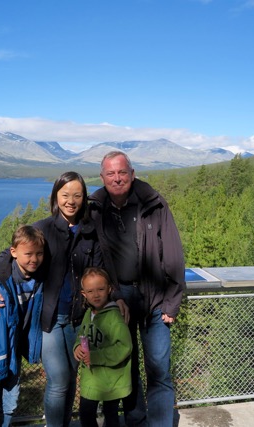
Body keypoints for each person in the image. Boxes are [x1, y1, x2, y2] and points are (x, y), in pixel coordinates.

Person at [0, 171, 128, 427]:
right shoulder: (44, 228)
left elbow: (101, 271)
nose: (71, 201)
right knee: (58, 379)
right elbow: (10, 254)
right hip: (49, 319)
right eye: (65, 195)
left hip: (78, 319)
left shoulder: (90, 232)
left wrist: (117, 296)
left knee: (70, 378)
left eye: (77, 195)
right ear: (56, 196)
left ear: (84, 198)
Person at [88, 151, 186, 427]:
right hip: (119, 300)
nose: (117, 178)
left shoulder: (153, 203)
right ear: (102, 177)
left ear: (132, 174)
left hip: (155, 299)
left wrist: (172, 302)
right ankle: (136, 419)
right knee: (126, 366)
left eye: (122, 172)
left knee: (159, 370)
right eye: (111, 173)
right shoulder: (96, 208)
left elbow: (173, 255)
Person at [0, 225, 46, 427]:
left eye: (39, 254)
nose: (34, 259)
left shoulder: (38, 280)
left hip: (13, 351)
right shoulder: (0, 287)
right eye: (28, 254)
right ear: (13, 253)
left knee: (10, 405)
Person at [74, 267, 132, 427]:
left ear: (109, 289)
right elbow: (81, 335)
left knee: (111, 417)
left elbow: (124, 347)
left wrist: (96, 356)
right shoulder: (88, 314)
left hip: (111, 380)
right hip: (91, 379)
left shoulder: (115, 316)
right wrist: (77, 347)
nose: (96, 295)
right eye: (90, 291)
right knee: (86, 415)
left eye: (100, 289)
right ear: (84, 294)